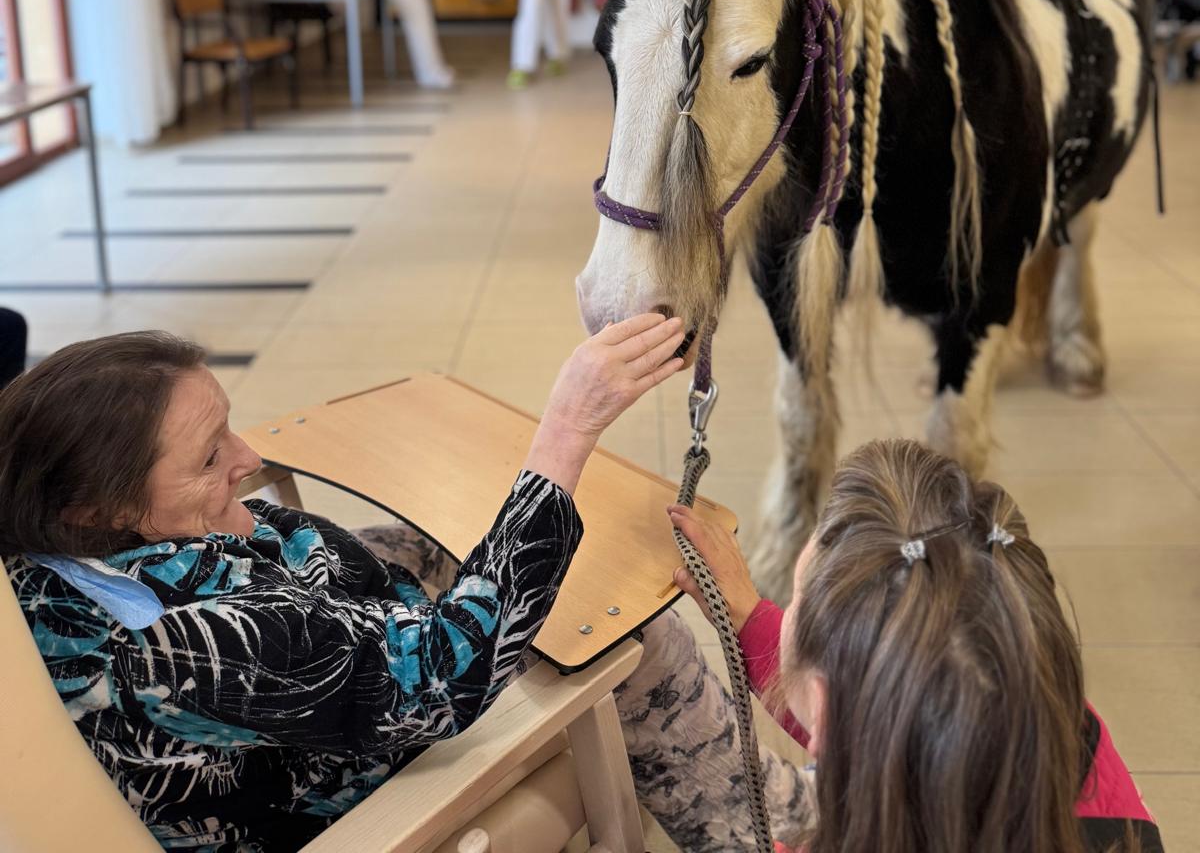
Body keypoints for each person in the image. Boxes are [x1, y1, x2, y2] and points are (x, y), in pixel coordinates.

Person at [1, 328, 811, 852]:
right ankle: (775, 826)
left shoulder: (57, 556)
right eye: (210, 457)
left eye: (227, 428)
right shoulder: (186, 650)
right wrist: (566, 432)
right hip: (360, 783)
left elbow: (313, 598)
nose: (246, 458)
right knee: (630, 635)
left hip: (317, 686)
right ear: (98, 511)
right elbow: (441, 674)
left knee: (453, 545)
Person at [671, 438, 1164, 853]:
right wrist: (747, 615)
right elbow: (894, 697)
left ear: (827, 713)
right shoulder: (1041, 708)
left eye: (796, 598)